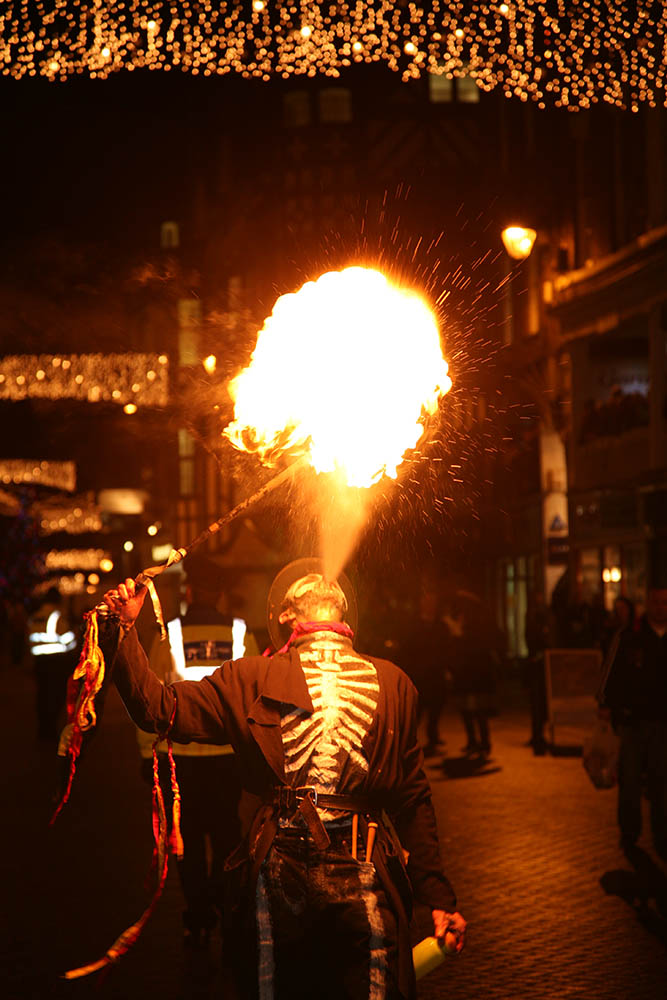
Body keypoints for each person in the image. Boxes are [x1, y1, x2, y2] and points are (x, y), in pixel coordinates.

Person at [103, 558, 466, 1000]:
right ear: (343, 614)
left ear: (284, 617)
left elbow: (157, 708)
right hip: (349, 870)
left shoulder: (253, 676)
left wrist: (123, 629)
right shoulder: (391, 682)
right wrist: (439, 900)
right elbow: (412, 799)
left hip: (288, 875)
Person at [135, 553, 259, 951]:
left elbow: (149, 700)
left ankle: (198, 918)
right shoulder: (242, 634)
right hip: (228, 759)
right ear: (221, 593)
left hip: (179, 761)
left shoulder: (167, 633)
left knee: (185, 842)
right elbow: (256, 701)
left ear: (189, 590)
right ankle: (228, 914)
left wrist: (145, 755)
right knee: (228, 842)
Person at [598, 587, 667, 858]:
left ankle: (662, 835)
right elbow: (610, 670)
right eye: (657, 602)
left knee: (662, 783)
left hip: (663, 723)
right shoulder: (629, 636)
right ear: (648, 604)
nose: (662, 607)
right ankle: (629, 832)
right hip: (633, 721)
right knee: (630, 781)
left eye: (666, 603)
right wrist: (605, 704)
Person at [401, 589, 450, 755]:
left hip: (435, 674)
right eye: (427, 602)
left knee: (436, 708)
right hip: (420, 674)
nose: (430, 606)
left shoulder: (440, 625)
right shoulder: (414, 625)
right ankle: (409, 741)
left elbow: (445, 648)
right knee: (417, 710)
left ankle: (433, 735)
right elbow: (407, 649)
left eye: (432, 603)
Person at [28, 586, 78, 741]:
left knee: (42, 695)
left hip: (40, 662)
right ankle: (51, 730)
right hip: (56, 662)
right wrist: (74, 639)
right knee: (56, 696)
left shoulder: (35, 616)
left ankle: (43, 729)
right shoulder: (56, 615)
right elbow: (66, 639)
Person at [523, 591, 552, 755]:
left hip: (540, 666)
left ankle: (538, 734)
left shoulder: (539, 618)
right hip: (537, 666)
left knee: (539, 704)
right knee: (537, 703)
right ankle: (537, 734)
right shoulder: (534, 619)